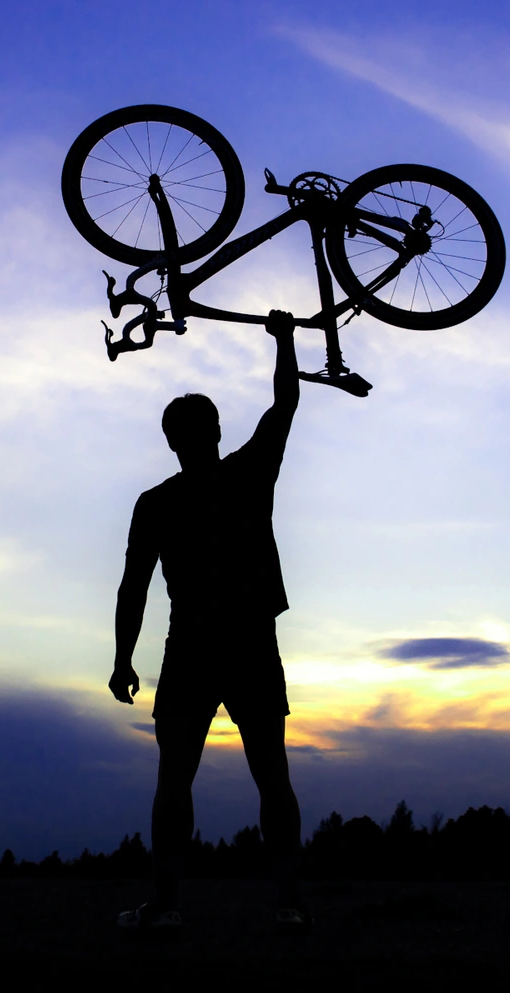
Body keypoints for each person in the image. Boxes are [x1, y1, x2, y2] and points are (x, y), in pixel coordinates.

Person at [108, 309, 309, 930]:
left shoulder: (158, 502)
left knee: (176, 779)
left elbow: (134, 588)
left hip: (195, 645)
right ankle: (288, 905)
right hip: (244, 643)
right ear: (216, 431)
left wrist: (122, 659)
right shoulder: (247, 472)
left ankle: (168, 907)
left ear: (173, 441)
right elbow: (285, 404)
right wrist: (284, 340)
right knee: (270, 774)